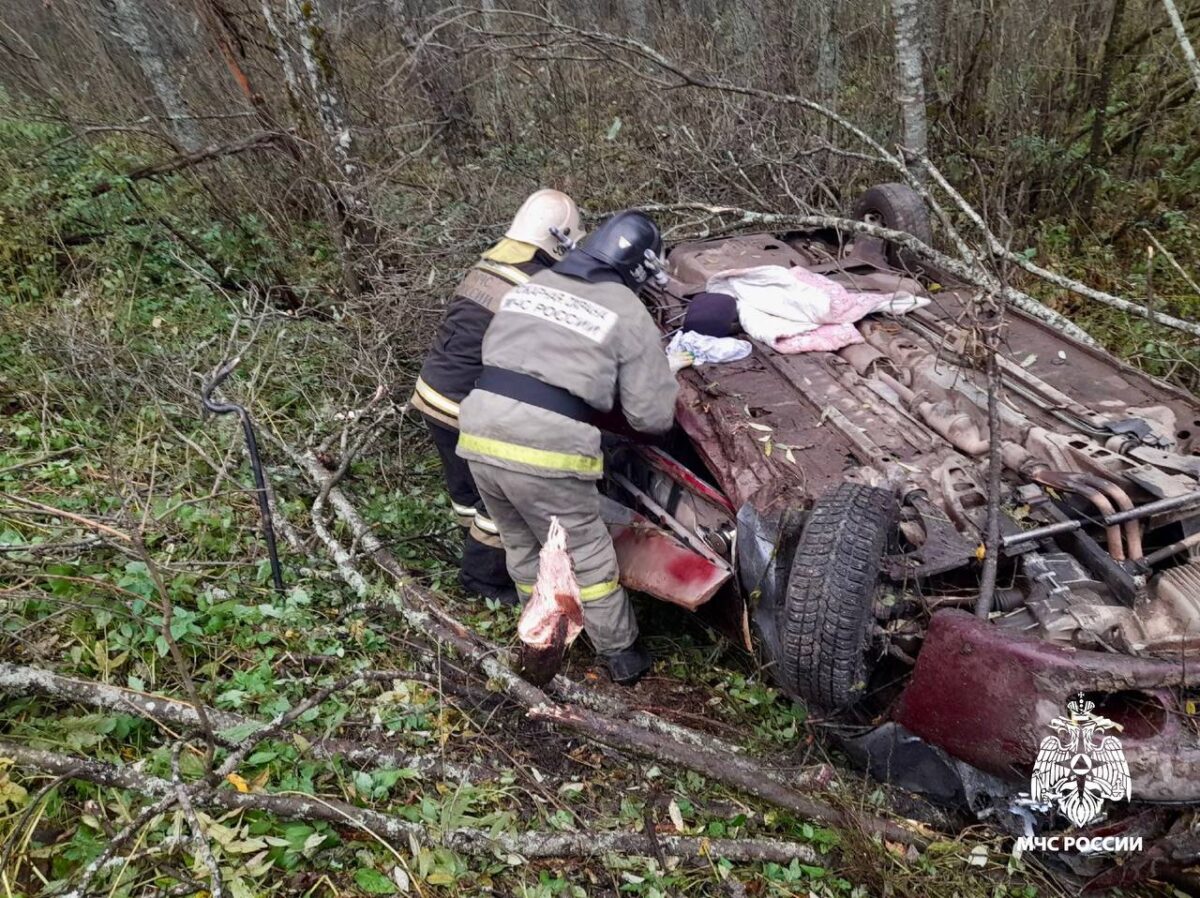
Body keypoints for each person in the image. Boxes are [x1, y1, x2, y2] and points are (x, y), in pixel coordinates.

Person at [455, 211, 679, 685]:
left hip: (477, 429)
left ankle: (541, 628)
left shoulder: (530, 286)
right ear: (641, 270)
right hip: (545, 446)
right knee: (587, 552)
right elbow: (652, 417)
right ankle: (620, 654)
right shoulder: (626, 309)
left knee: (520, 540)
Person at [411, 190, 584, 604]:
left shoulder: (491, 264)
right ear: (558, 240)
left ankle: (472, 546)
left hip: (433, 393)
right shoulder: (539, 283)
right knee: (499, 500)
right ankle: (482, 580)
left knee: (467, 488)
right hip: (469, 405)